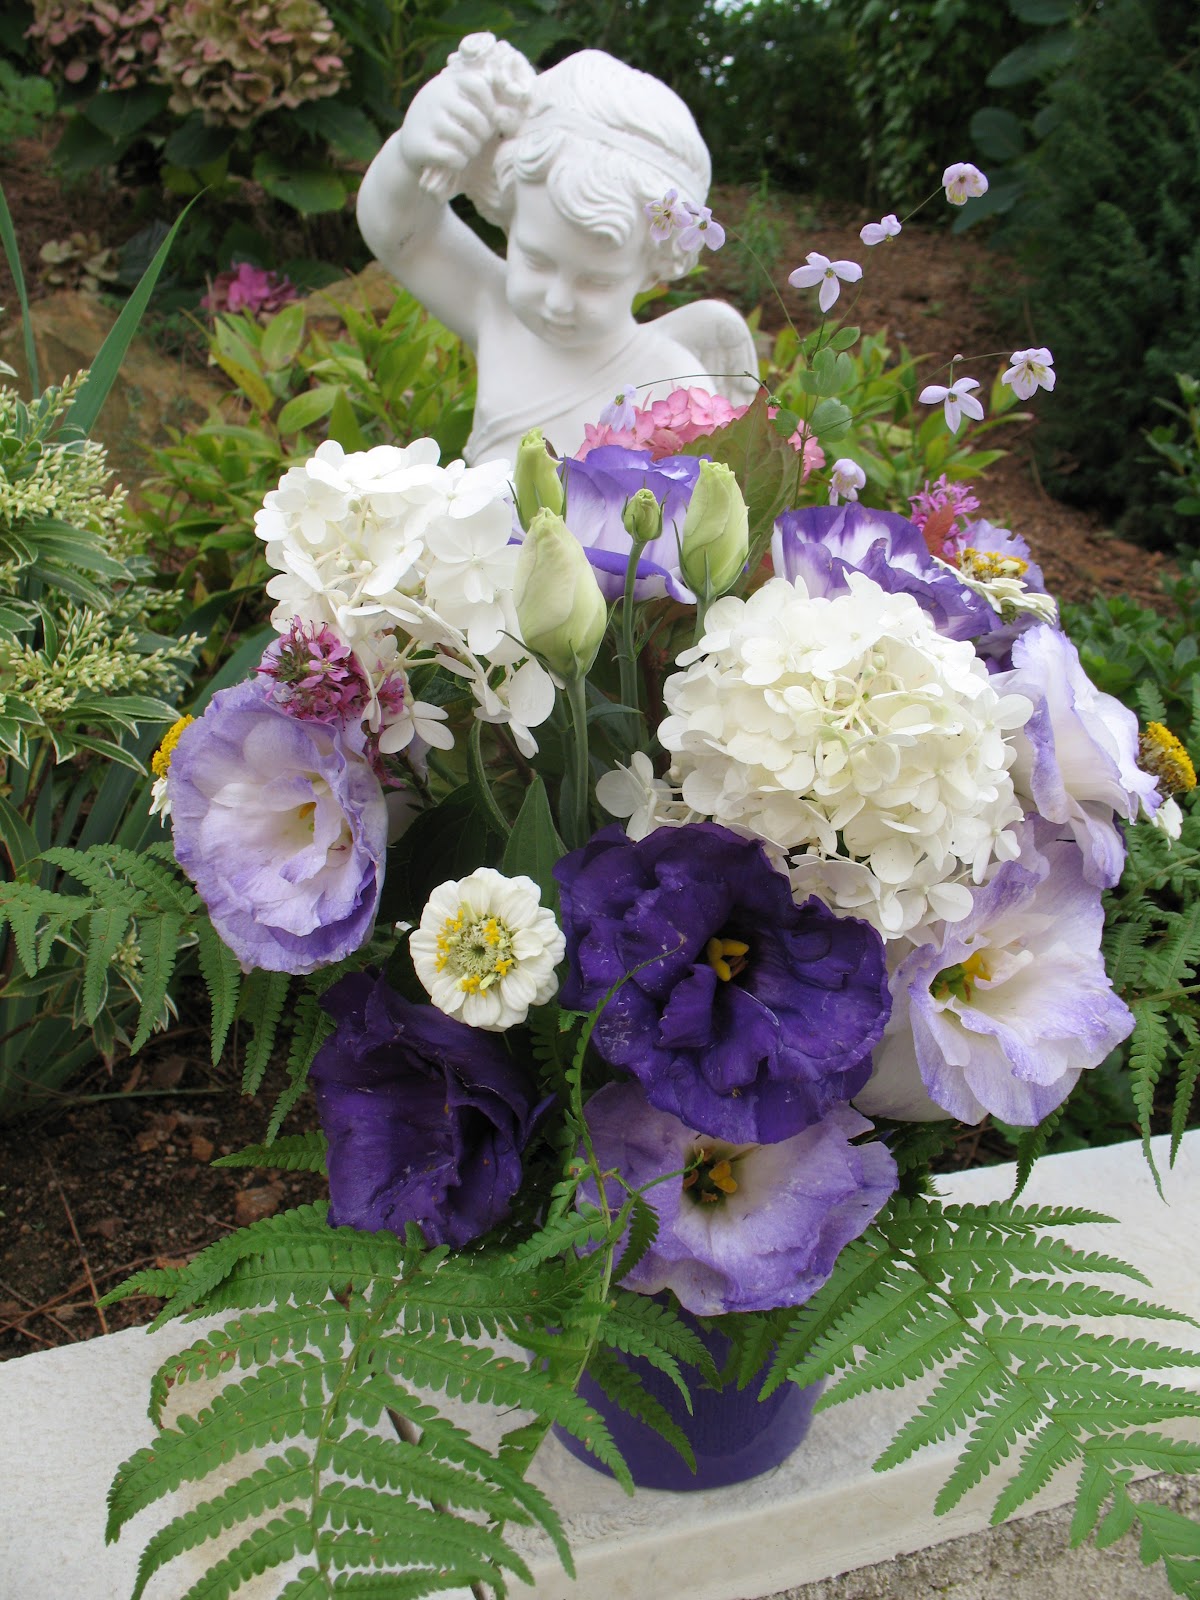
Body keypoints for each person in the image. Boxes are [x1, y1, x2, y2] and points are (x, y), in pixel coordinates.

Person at [356, 37, 759, 465]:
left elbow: (712, 512)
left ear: (654, 270)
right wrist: (410, 152)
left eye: (597, 281)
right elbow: (401, 238)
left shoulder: (674, 382)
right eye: (535, 261)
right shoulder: (498, 316)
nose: (557, 301)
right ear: (509, 217)